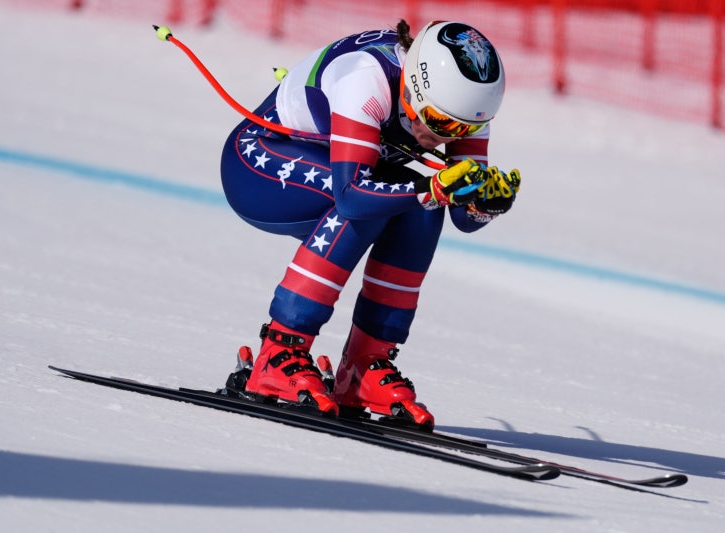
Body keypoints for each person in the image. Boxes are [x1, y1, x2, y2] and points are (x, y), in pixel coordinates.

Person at [219, 19, 520, 428]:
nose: (446, 137)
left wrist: (488, 202)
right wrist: (433, 189)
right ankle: (279, 349)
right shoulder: (368, 78)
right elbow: (351, 195)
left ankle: (363, 367)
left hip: (332, 174)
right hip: (258, 165)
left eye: (465, 130)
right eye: (441, 123)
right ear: (414, 86)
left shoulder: (456, 103)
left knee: (423, 206)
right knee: (381, 201)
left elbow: (462, 217)